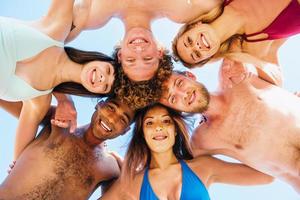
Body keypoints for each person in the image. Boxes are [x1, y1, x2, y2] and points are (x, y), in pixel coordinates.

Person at [0, 0, 119, 161]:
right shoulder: (57, 28)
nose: (102, 78)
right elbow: (84, 6)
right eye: (108, 70)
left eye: (105, 86)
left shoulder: (39, 100)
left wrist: (16, 167)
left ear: (94, 92)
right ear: (99, 59)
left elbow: (18, 161)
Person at [160, 58, 300, 193]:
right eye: (173, 98)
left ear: (190, 75)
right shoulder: (202, 141)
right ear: (175, 110)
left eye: (179, 83)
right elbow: (265, 177)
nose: (183, 94)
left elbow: (268, 50)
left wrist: (247, 59)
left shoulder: (231, 69)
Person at [99, 103, 273, 199]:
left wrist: (225, 140)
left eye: (166, 121)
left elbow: (266, 176)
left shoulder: (203, 167)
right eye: (150, 123)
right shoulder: (132, 182)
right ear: (143, 134)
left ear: (175, 129)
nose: (158, 127)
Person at [0, 97, 135, 199]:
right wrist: (64, 98)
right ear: (99, 104)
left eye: (123, 119)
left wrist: (125, 170)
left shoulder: (111, 168)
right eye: (111, 108)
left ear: (126, 130)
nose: (112, 119)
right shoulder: (61, 121)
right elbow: (12, 101)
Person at [66, 0, 223, 82]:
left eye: (131, 60)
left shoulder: (95, 16)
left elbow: (53, 38)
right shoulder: (179, 11)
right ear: (159, 53)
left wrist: (63, 98)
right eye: (148, 59)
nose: (139, 50)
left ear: (120, 56)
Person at [173, 0, 300, 86]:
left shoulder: (217, 2)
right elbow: (277, 80)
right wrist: (250, 66)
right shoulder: (252, 47)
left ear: (194, 25)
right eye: (196, 54)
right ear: (209, 57)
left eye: (189, 41)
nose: (197, 46)